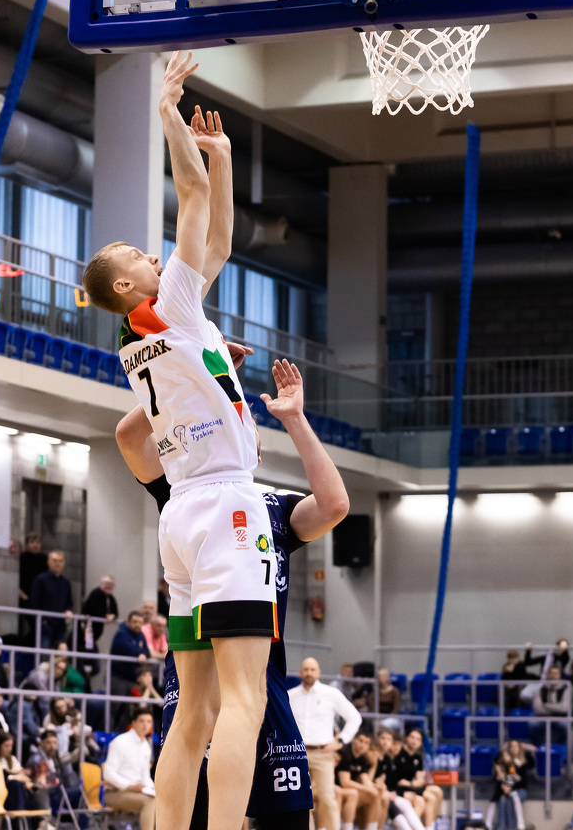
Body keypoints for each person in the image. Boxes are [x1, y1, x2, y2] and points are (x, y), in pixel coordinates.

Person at [85, 52, 268, 830]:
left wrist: (220, 158)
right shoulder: (174, 306)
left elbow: (214, 244)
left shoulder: (143, 330)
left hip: (182, 518)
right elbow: (191, 200)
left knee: (192, 711)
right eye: (142, 257)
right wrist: (167, 110)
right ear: (128, 286)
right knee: (244, 701)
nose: (156, 256)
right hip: (226, 506)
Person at [120, 354, 349, 830]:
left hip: (262, 677)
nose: (237, 420)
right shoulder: (186, 487)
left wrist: (295, 419)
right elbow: (128, 437)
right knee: (196, 786)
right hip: (207, 678)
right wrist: (191, 375)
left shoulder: (272, 508)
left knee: (284, 816)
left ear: (252, 449)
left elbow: (333, 505)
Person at [290, 657, 362, 830]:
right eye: (306, 669)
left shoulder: (331, 693)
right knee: (300, 798)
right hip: (297, 753)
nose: (309, 673)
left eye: (312, 669)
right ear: (300, 672)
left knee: (327, 798)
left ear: (319, 672)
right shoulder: (290, 695)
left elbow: (354, 717)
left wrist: (341, 740)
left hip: (323, 752)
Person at [102, 708, 158, 830]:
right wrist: (129, 786)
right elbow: (108, 773)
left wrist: (152, 788)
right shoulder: (120, 742)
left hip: (137, 792)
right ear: (133, 723)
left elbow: (145, 776)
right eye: (142, 721)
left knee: (160, 799)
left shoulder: (145, 746)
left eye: (149, 721)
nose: (145, 725)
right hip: (115, 793)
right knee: (149, 801)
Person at [110, 610, 150, 725]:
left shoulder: (140, 635)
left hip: (132, 679)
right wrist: (139, 654)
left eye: (140, 622)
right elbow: (124, 647)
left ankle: (121, 731)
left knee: (128, 711)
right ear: (128, 621)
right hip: (119, 678)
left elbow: (146, 652)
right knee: (114, 709)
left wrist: (142, 654)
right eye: (135, 622)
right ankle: (109, 731)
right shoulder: (121, 633)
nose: (137, 625)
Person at [30, 551, 74, 650]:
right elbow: (34, 601)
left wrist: (69, 610)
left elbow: (69, 602)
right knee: (44, 652)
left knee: (61, 653)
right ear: (48, 562)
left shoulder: (66, 583)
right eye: (54, 561)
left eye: (60, 561)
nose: (57, 563)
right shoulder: (41, 579)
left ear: (63, 563)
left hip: (60, 624)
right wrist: (42, 620)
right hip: (45, 624)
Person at [81, 576, 119, 652]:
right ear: (103, 584)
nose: (109, 586)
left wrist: (113, 616)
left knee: (91, 648)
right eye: (107, 584)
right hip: (87, 627)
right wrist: (106, 616)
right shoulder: (96, 593)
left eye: (111, 584)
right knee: (88, 649)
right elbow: (95, 610)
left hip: (96, 630)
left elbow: (115, 612)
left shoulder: (110, 597)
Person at [17, 533, 47, 615]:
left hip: (39, 598)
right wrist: (21, 593)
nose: (35, 545)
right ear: (27, 544)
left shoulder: (45, 559)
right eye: (32, 542)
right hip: (23, 596)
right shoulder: (22, 558)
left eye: (37, 542)